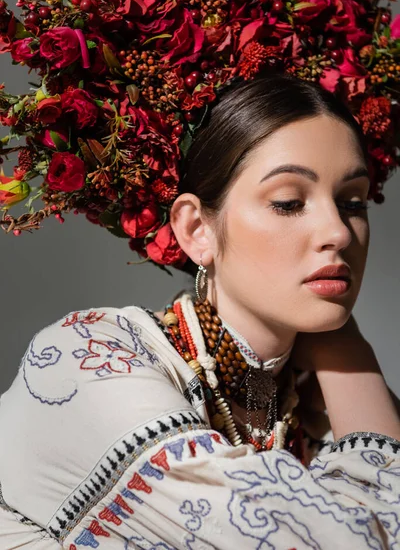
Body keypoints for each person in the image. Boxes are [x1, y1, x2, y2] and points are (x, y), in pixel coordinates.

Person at [0, 72, 399, 549]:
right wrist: (352, 356)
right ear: (196, 230)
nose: (338, 231)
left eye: (352, 203)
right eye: (289, 202)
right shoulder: (86, 359)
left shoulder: (306, 404)